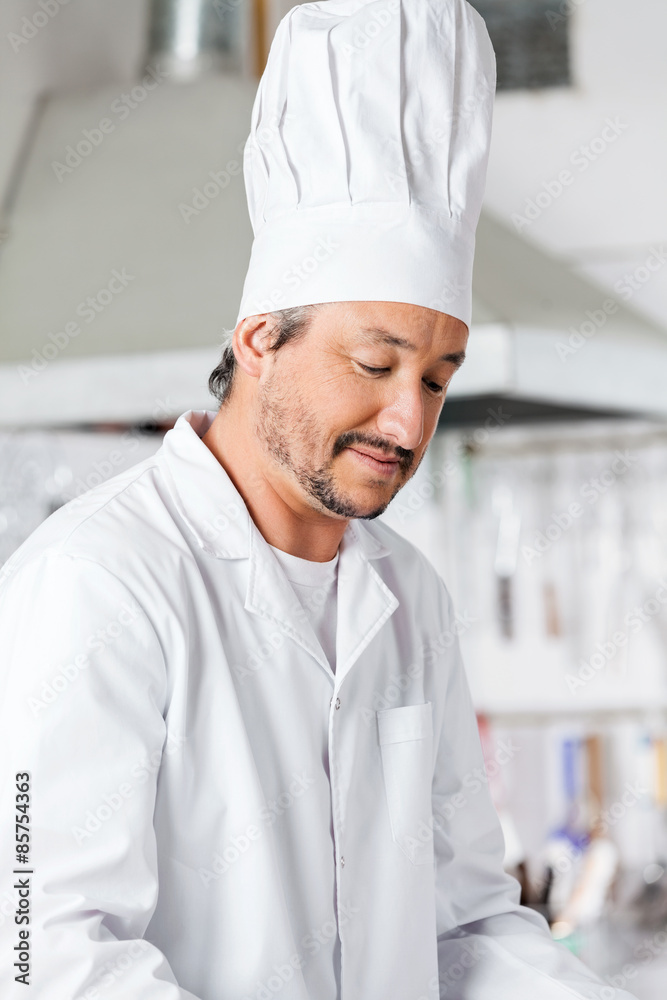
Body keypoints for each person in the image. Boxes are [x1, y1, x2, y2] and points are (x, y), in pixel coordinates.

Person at [0, 1, 639, 998]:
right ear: (260, 339)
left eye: (436, 376)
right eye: (374, 361)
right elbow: (45, 955)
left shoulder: (408, 599)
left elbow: (467, 925)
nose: (407, 419)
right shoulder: (97, 584)